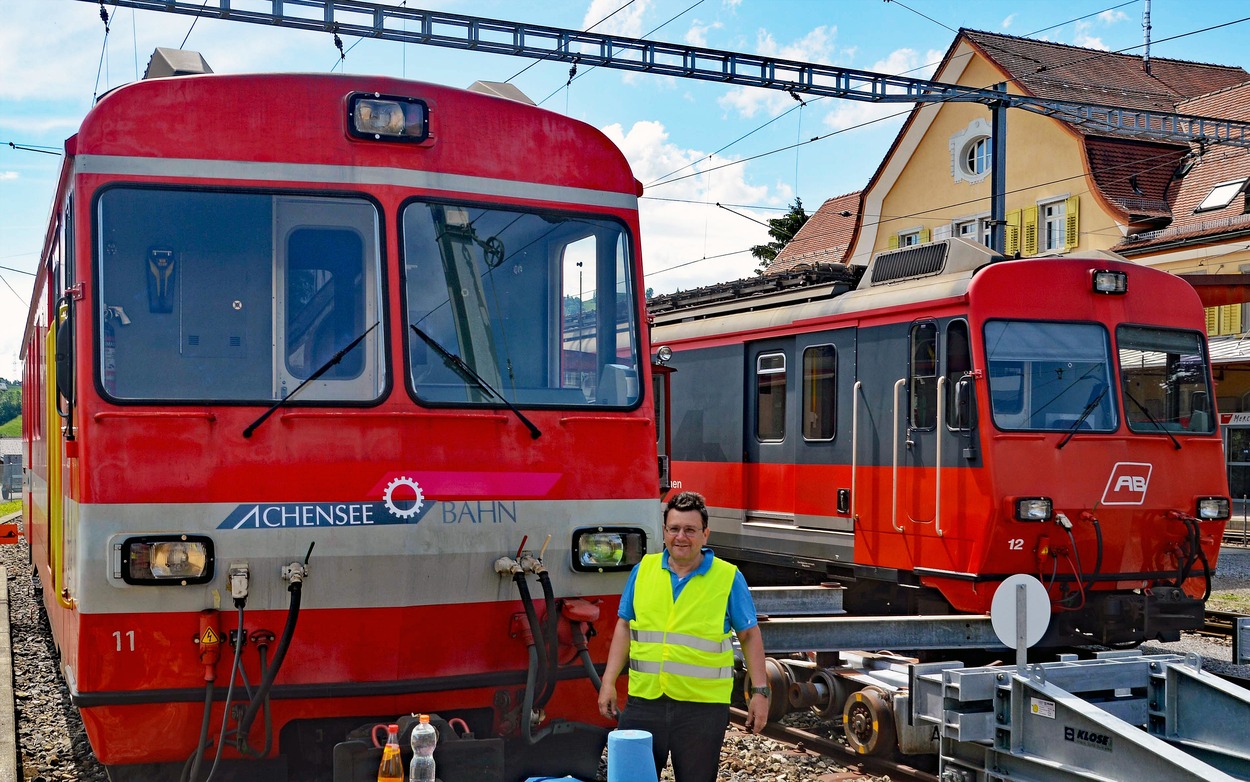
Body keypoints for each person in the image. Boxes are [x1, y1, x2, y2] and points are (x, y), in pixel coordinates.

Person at [597, 491, 769, 782]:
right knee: (631, 778)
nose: (681, 537)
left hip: (702, 709)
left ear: (705, 534)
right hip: (644, 702)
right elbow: (624, 626)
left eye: (690, 530)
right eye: (674, 529)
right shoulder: (643, 571)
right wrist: (608, 682)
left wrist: (760, 692)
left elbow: (750, 635)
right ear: (664, 532)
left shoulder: (727, 577)